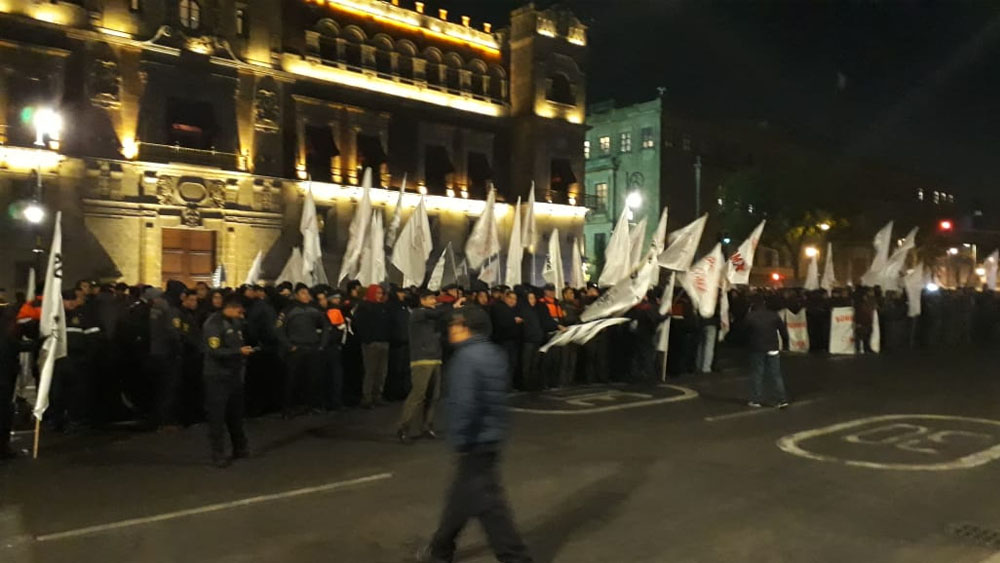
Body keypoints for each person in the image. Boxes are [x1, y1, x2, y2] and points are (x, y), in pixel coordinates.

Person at [416, 307, 533, 563]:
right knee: (461, 499)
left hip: (475, 439)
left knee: (489, 506)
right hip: (490, 435)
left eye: (455, 325)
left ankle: (515, 557)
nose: (451, 329)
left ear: (465, 326)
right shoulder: (493, 352)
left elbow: (465, 403)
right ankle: (440, 549)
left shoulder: (467, 358)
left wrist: (459, 437)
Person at [397, 290, 457, 444]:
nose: (434, 301)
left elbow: (443, 321)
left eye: (434, 298)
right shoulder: (418, 313)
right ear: (422, 300)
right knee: (418, 394)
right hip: (421, 359)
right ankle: (404, 427)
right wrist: (451, 304)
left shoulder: (433, 317)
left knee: (434, 396)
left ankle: (427, 425)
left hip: (435, 358)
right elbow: (439, 313)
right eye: (430, 298)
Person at [202, 295, 254, 468]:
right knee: (217, 416)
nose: (241, 314)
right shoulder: (214, 324)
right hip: (217, 376)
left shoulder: (234, 323)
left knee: (235, 414)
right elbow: (214, 351)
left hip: (233, 374)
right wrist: (238, 352)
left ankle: (240, 447)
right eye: (239, 311)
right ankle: (218, 453)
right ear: (230, 308)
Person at [276, 283, 329, 417]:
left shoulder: (314, 309)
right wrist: (289, 346)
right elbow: (278, 330)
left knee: (312, 378)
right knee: (291, 380)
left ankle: (311, 405)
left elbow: (325, 326)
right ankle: (288, 408)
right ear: (296, 295)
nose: (306, 296)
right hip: (296, 348)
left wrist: (322, 344)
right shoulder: (288, 310)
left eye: (307, 293)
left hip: (312, 347)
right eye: (303, 293)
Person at [743, 294, 790, 408]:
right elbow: (783, 331)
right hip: (772, 347)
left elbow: (744, 332)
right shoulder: (773, 315)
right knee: (776, 374)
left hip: (756, 348)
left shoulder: (750, 316)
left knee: (757, 374)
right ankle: (781, 399)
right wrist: (785, 344)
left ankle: (756, 399)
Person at [354, 284, 391, 409]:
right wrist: (367, 339)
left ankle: (377, 395)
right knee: (371, 371)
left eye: (381, 293)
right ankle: (367, 398)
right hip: (371, 343)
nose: (379, 295)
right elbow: (358, 325)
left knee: (381, 372)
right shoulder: (364, 308)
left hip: (383, 342)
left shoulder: (383, 307)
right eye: (377, 293)